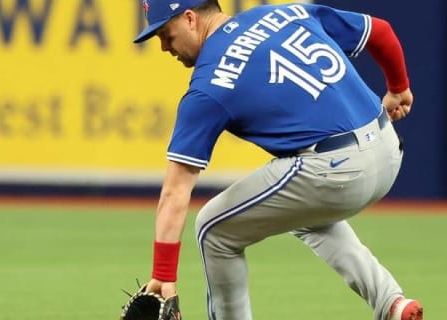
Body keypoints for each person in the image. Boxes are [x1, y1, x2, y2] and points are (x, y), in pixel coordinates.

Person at [133, 1, 422, 319]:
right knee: (305, 216)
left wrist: (163, 274)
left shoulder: (209, 86)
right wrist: (398, 88)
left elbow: (175, 191)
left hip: (335, 171)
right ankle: (391, 303)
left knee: (213, 229)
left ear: (189, 19)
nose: (162, 47)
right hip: (388, 150)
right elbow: (380, 31)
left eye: (166, 34)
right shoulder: (286, 12)